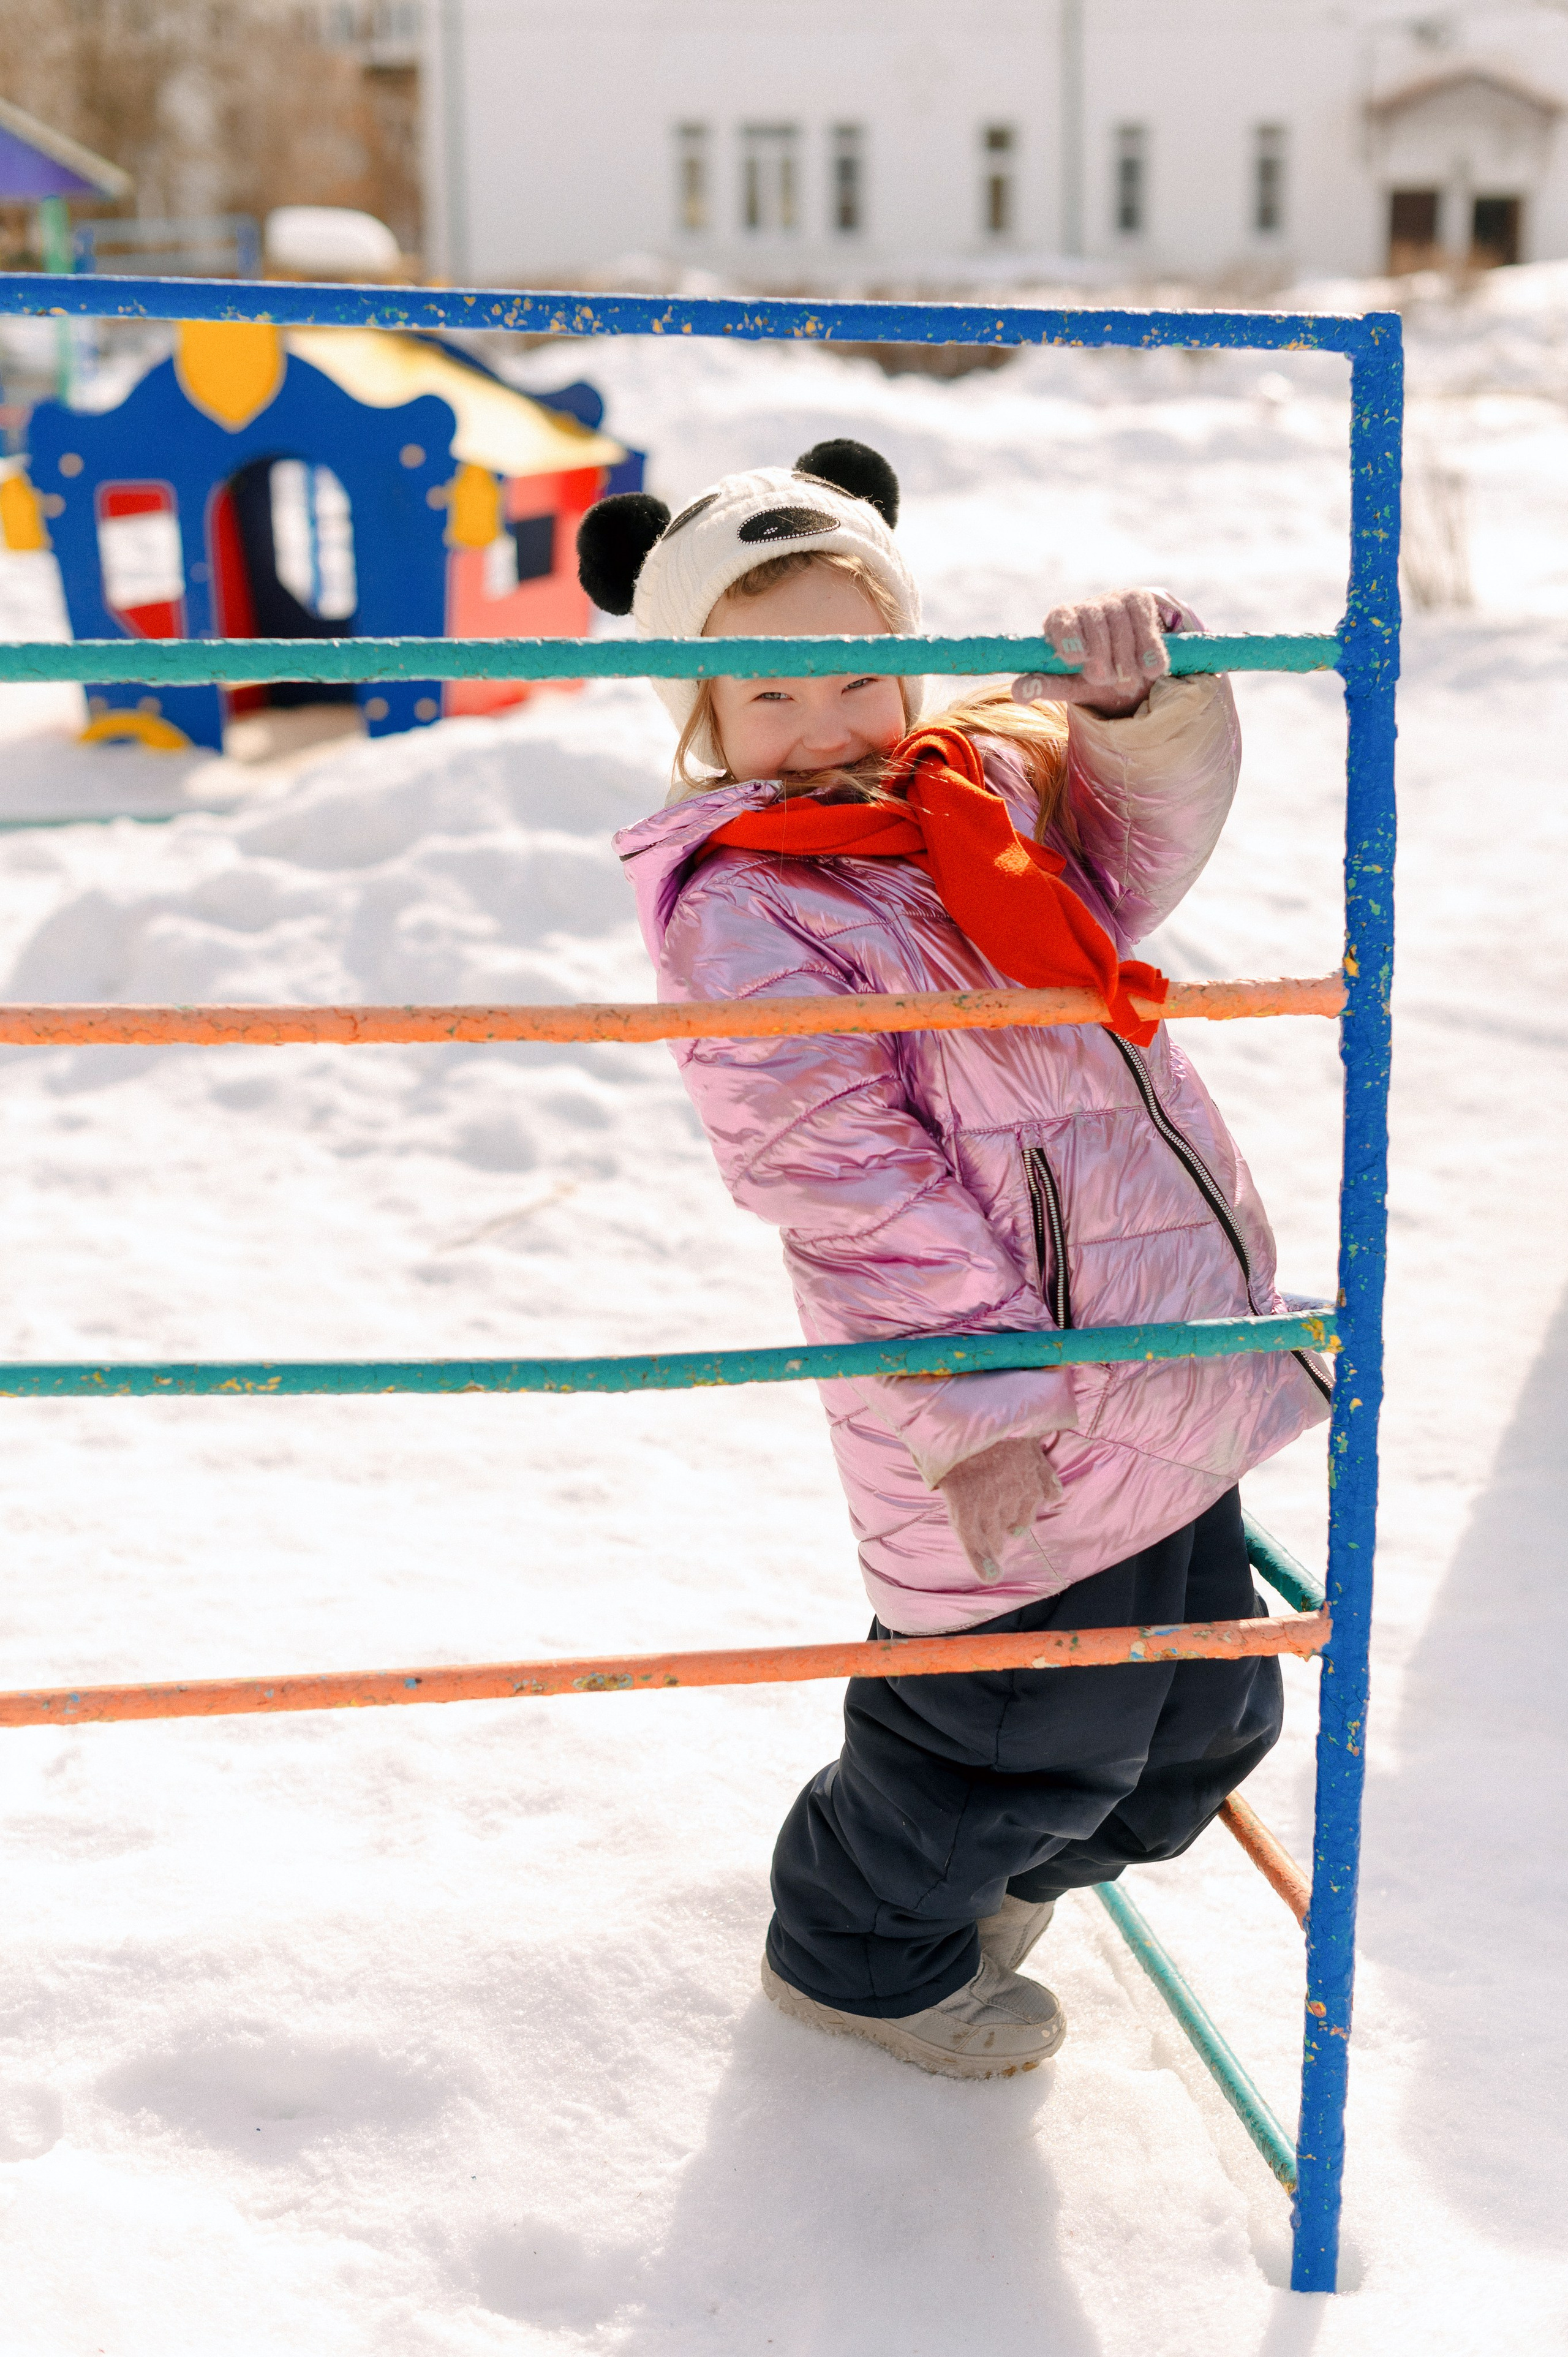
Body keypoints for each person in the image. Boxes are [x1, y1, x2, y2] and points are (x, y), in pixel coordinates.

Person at [581, 439, 1329, 2082]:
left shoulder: (973, 791)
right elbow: (843, 1183)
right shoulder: (746, 912)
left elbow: (1136, 851)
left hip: (1162, 1349)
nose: (827, 724)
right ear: (705, 721)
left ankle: (971, 1898)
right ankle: (855, 1954)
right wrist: (986, 1403)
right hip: (996, 1401)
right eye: (768, 699)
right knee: (1011, 1737)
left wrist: (1135, 705)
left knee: (1208, 1722)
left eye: (859, 674)